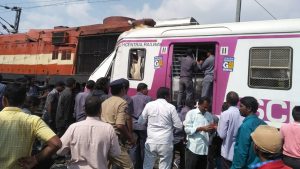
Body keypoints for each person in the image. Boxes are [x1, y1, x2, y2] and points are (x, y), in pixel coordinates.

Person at [0, 83, 62, 169]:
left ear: (4, 100)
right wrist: (36, 159)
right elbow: (56, 144)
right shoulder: (34, 120)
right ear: (24, 100)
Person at [57, 96, 121, 169]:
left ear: (84, 110)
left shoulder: (73, 127)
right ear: (100, 110)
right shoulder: (108, 128)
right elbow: (116, 153)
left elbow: (60, 151)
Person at [138, 87, 183, 169]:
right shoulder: (171, 107)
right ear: (166, 96)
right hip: (165, 141)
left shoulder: (149, 105)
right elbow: (179, 126)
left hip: (151, 141)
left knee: (148, 165)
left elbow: (140, 122)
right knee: (164, 166)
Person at [101, 78, 135, 169]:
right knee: (129, 166)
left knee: (108, 165)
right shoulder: (122, 103)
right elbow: (120, 125)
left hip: (102, 137)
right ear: (123, 89)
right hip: (114, 139)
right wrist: (130, 137)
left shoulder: (105, 102)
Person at [231, 96, 266, 169]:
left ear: (249, 108)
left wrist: (235, 167)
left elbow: (241, 151)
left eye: (241, 106)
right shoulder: (263, 123)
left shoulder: (246, 126)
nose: (239, 108)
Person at [184, 96, 214, 169]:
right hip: (193, 148)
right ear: (199, 104)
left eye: (207, 107)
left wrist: (213, 130)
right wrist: (201, 128)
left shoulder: (209, 115)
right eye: (204, 107)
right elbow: (187, 129)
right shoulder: (191, 113)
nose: (206, 109)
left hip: (204, 149)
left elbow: (210, 130)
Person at [217, 91, 244, 169]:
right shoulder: (242, 113)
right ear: (238, 101)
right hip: (239, 152)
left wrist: (218, 128)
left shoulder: (225, 114)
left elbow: (222, 135)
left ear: (227, 101)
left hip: (227, 152)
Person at [131, 83, 152, 169]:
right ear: (142, 89)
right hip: (143, 126)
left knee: (134, 147)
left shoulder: (131, 98)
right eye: (146, 89)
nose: (147, 91)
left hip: (133, 126)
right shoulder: (148, 99)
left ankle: (134, 165)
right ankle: (143, 166)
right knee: (144, 147)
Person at [173, 99, 194, 169]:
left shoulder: (181, 110)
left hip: (174, 137)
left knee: (171, 157)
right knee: (183, 157)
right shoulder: (189, 112)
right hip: (180, 137)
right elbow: (186, 126)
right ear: (191, 104)